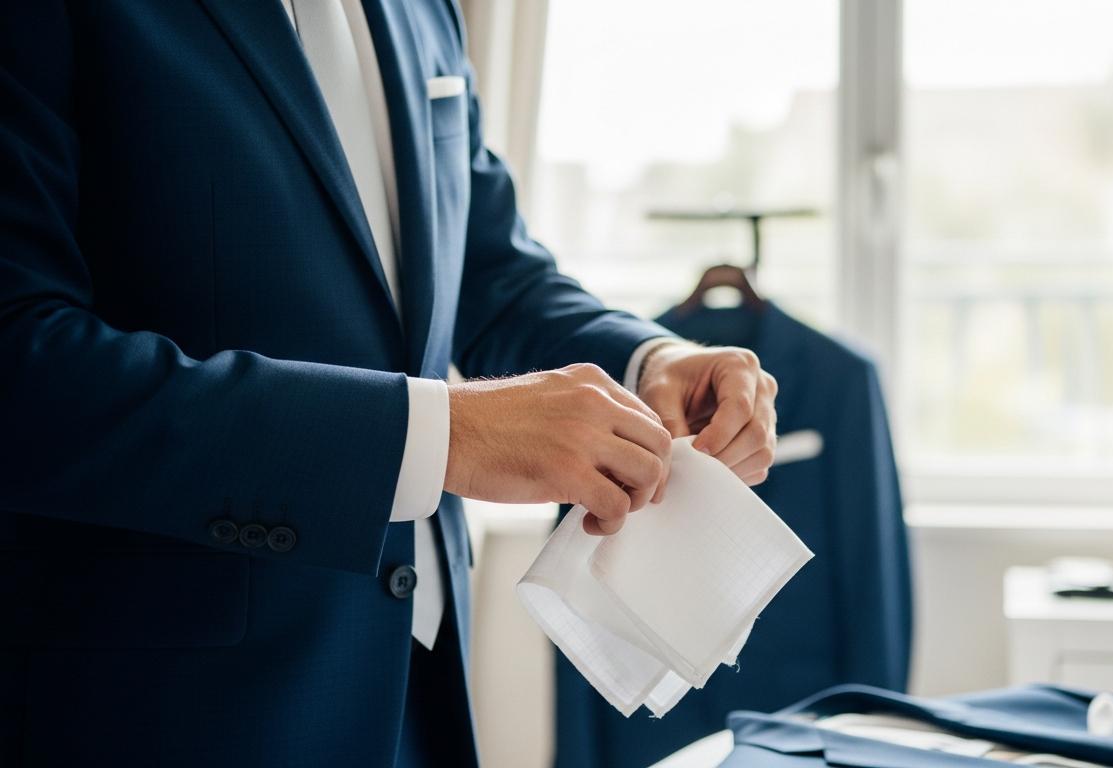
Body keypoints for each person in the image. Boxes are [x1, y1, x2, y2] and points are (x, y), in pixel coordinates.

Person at [0, 2, 778, 766]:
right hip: (172, 709)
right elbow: (22, 364)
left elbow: (486, 268)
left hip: (421, 685)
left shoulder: (424, 10)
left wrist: (648, 361)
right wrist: (443, 436)